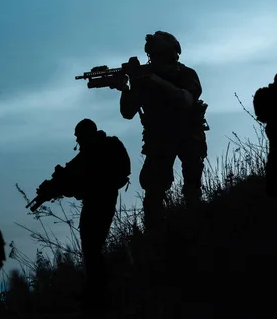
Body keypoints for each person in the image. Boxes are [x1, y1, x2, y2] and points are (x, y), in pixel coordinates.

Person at [28, 118, 131, 312]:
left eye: (79, 137)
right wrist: (55, 186)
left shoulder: (97, 151)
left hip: (100, 201)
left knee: (92, 247)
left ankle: (98, 292)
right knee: (92, 247)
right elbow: (71, 180)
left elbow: (77, 179)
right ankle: (97, 289)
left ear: (86, 135)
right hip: (99, 200)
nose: (79, 142)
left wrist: (59, 185)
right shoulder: (95, 151)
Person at [116, 31, 209, 229]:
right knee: (154, 191)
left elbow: (186, 99)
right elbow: (127, 112)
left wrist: (157, 81)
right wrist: (127, 88)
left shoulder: (186, 74)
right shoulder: (144, 80)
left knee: (192, 187)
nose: (155, 60)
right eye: (153, 56)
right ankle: (156, 234)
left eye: (160, 55)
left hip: (188, 134)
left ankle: (197, 226)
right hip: (159, 138)